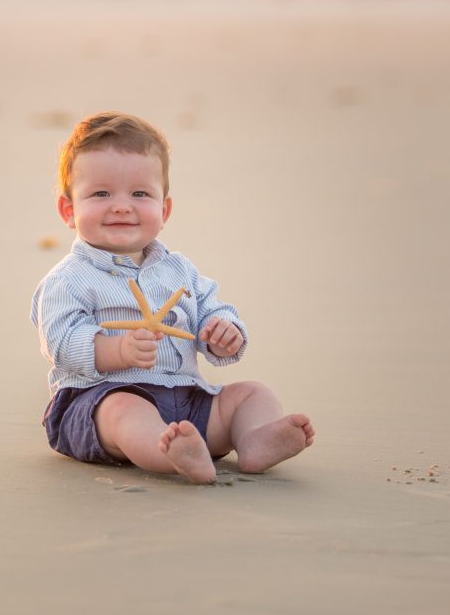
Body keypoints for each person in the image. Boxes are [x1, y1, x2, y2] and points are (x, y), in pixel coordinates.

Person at [31, 111, 314, 484]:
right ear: (69, 210)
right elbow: (61, 342)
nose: (121, 205)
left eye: (140, 194)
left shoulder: (179, 271)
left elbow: (212, 307)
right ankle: (171, 454)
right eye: (101, 193)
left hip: (187, 399)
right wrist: (117, 352)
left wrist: (223, 331)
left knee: (253, 394)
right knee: (123, 410)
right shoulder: (67, 280)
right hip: (98, 400)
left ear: (164, 210)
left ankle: (254, 440)